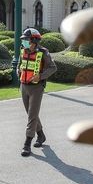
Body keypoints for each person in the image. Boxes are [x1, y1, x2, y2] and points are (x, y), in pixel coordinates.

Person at [17, 28, 57, 157]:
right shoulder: (23, 51)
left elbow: (53, 68)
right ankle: (41, 135)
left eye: (27, 40)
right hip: (24, 86)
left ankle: (27, 144)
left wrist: (40, 76)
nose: (24, 42)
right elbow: (19, 65)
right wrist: (18, 72)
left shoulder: (43, 53)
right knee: (30, 113)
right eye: (24, 40)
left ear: (34, 40)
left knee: (32, 115)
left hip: (36, 88)